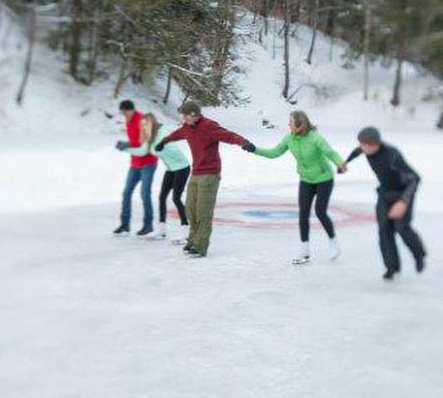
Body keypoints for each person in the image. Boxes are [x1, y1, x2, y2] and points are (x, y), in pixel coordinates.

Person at [243, 110, 347, 265]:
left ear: (299, 125)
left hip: (324, 179)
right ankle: (305, 252)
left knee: (320, 212)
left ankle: (333, 242)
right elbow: (274, 153)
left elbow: (330, 152)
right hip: (306, 179)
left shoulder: (315, 138)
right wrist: (254, 149)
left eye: (290, 122)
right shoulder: (289, 139)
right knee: (303, 214)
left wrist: (340, 163)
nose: (288, 125)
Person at [156, 101, 251, 257]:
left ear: (193, 114)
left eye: (185, 115)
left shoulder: (209, 126)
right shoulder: (187, 127)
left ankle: (200, 246)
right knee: (190, 208)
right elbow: (177, 134)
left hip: (210, 174)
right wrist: (163, 142)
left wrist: (244, 142)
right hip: (196, 173)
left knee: (203, 212)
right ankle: (192, 240)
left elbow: (228, 135)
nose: (183, 118)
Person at [343, 127, 426, 280]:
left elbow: (415, 178)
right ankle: (392, 268)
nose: (362, 147)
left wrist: (403, 202)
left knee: (401, 227)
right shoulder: (364, 148)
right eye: (361, 144)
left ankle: (419, 254)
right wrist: (345, 162)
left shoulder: (392, 155)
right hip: (385, 193)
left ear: (375, 144)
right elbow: (357, 151)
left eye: (365, 145)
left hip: (403, 193)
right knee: (384, 231)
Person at [116, 113, 190, 241]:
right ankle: (161, 231)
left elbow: (169, 145)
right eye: (143, 125)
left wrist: (161, 146)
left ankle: (186, 230)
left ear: (153, 123)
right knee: (162, 198)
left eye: (147, 124)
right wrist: (126, 148)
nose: (145, 127)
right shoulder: (149, 138)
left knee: (176, 198)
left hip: (182, 168)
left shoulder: (162, 133)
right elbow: (142, 151)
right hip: (171, 169)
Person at [113, 100, 158, 236]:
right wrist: (126, 143)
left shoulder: (143, 121)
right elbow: (136, 141)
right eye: (122, 113)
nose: (124, 115)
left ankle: (148, 225)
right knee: (126, 193)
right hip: (135, 163)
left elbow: (144, 145)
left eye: (125, 112)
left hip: (148, 163)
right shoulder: (128, 121)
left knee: (144, 194)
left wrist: (126, 148)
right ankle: (125, 225)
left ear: (132, 110)